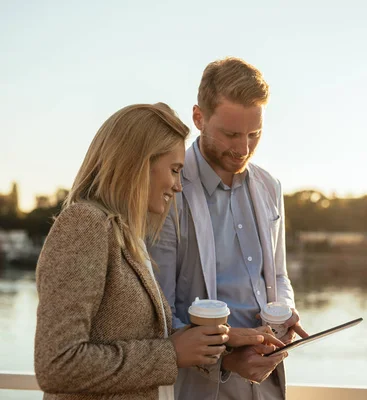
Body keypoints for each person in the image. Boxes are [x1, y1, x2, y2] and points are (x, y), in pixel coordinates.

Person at [34, 103, 275, 400]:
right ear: (137, 164)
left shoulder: (127, 236)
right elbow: (57, 364)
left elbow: (137, 339)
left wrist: (224, 341)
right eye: (174, 170)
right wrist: (171, 353)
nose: (178, 186)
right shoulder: (85, 224)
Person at [148, 57, 309, 400]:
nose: (243, 149)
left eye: (255, 134)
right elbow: (158, 311)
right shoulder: (169, 189)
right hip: (199, 387)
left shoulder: (270, 186)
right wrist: (229, 356)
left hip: (266, 381)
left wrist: (284, 312)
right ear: (198, 118)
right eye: (231, 134)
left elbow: (278, 277)